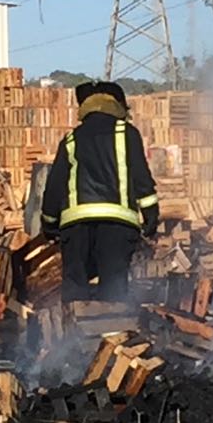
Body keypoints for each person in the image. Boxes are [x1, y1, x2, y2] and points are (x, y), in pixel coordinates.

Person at [41, 81, 158, 302]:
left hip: (75, 229)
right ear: (118, 107)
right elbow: (142, 179)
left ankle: (73, 335)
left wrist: (49, 223)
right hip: (117, 226)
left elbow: (54, 186)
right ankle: (111, 333)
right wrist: (151, 216)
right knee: (113, 289)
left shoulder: (70, 139)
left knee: (75, 289)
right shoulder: (127, 134)